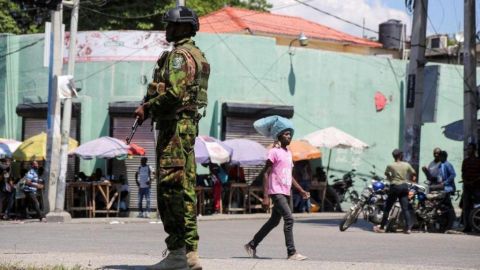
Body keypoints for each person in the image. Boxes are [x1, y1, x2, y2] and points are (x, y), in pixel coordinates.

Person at [134, 6, 209, 270]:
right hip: (185, 128)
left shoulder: (179, 56)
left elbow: (175, 93)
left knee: (170, 190)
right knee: (184, 189)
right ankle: (189, 255)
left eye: (171, 25)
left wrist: (147, 107)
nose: (167, 29)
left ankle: (179, 254)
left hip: (174, 129)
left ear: (185, 27)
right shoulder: (196, 54)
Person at [244, 115, 309, 261]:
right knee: (289, 219)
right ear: (279, 136)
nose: (289, 136)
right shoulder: (273, 152)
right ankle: (291, 252)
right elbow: (266, 174)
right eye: (286, 134)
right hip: (276, 191)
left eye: (290, 134)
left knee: (274, 221)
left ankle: (252, 244)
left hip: (285, 192)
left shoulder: (288, 154)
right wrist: (266, 196)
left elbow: (289, 176)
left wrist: (301, 190)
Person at [374, 149, 416, 234]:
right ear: (400, 155)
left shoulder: (390, 165)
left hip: (395, 187)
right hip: (404, 186)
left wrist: (391, 179)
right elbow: (414, 173)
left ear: (393, 156)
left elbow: (386, 174)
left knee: (387, 208)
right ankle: (408, 229)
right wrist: (412, 180)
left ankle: (382, 227)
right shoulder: (406, 165)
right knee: (405, 208)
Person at [461, 143, 480, 232]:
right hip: (467, 187)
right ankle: (467, 227)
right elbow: (463, 173)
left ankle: (476, 225)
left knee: (477, 207)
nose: (468, 151)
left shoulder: (478, 161)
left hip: (476, 187)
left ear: (474, 150)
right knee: (466, 208)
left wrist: (473, 181)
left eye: (470, 149)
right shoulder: (465, 161)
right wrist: (466, 182)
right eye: (467, 149)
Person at [437, 150, 456, 230]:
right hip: (443, 188)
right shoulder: (440, 165)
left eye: (440, 156)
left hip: (448, 188)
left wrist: (445, 182)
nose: (439, 158)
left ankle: (451, 222)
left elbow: (453, 174)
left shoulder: (448, 165)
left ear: (444, 157)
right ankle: (445, 223)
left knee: (447, 206)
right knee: (443, 206)